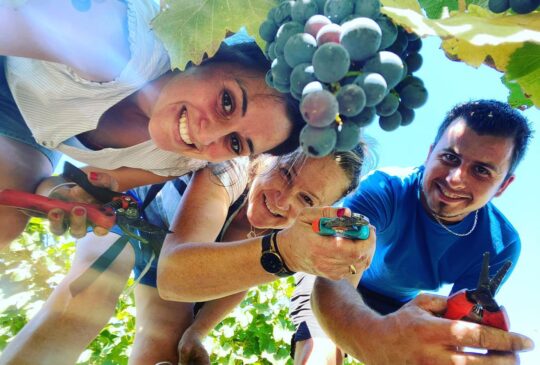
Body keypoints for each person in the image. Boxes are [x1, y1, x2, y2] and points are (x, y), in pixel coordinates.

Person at [0, 146, 375, 365]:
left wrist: (198, 331)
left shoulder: (276, 226)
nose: (282, 199)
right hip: (134, 214)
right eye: (286, 173)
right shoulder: (230, 168)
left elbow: (234, 283)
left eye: (306, 200)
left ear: (321, 208)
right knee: (86, 300)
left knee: (168, 341)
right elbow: (176, 274)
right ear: (270, 157)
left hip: (181, 255)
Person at [0, 0, 303, 249]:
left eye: (236, 143)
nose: (206, 135)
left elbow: (74, 185)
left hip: (27, 122)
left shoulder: (177, 160)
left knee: (5, 224)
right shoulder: (116, 43)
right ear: (207, 54)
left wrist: (69, 195)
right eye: (227, 102)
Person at [292, 99, 535, 365]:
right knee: (321, 350)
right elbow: (333, 266)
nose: (456, 179)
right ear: (430, 154)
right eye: (450, 158)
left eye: (481, 170)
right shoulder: (382, 189)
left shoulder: (501, 245)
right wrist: (373, 340)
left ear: (503, 186)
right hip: (341, 275)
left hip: (404, 305)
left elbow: (459, 318)